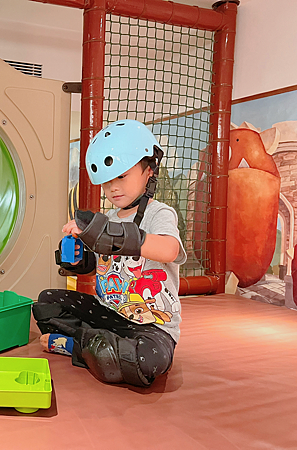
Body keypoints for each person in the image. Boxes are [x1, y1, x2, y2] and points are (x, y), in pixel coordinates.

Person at [33, 119, 187, 387]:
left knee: (145, 362)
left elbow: (169, 249)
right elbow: (99, 265)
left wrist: (110, 235)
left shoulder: (159, 213)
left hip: (152, 327)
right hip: (110, 315)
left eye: (122, 176)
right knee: (47, 302)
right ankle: (101, 346)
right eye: (106, 182)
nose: (113, 188)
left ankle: (78, 345)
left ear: (149, 170)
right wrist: (80, 261)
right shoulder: (109, 217)